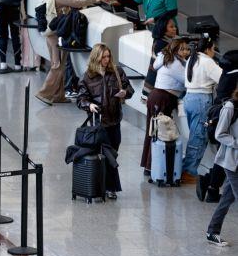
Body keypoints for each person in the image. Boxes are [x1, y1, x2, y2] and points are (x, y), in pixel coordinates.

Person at [77, 43, 134, 199]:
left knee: (112, 154)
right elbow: (81, 99)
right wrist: (90, 104)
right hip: (98, 123)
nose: (107, 60)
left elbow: (130, 89)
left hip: (114, 121)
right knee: (105, 154)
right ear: (97, 57)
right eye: (104, 57)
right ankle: (109, 187)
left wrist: (125, 93)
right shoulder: (87, 76)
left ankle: (107, 186)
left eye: (108, 56)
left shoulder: (116, 71)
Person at [35, 0, 104, 105]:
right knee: (58, 65)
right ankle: (43, 93)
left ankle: (58, 95)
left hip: (49, 34)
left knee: (59, 64)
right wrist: (95, 0)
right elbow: (76, 3)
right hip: (55, 36)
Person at [140, 39, 190, 173]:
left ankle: (149, 166)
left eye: (187, 49)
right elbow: (187, 81)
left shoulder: (166, 59)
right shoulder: (174, 63)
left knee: (153, 131)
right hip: (162, 98)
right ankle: (152, 167)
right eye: (182, 49)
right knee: (158, 133)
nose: (185, 52)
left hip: (157, 97)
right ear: (175, 50)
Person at [197, 50, 238, 202]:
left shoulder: (226, 73)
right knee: (226, 156)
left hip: (218, 117)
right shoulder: (235, 75)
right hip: (229, 120)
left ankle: (209, 184)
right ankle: (211, 187)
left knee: (224, 156)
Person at [183, 37, 222, 181]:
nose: (214, 52)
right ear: (207, 49)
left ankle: (186, 168)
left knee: (194, 136)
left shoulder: (192, 59)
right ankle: (189, 172)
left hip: (189, 98)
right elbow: (222, 78)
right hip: (201, 101)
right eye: (213, 49)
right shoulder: (207, 61)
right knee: (198, 137)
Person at [205, 86, 238, 247]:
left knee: (227, 198)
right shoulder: (231, 107)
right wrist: (236, 143)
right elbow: (220, 134)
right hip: (232, 162)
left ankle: (212, 231)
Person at [63, 0, 93, 98]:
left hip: (65, 29)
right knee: (69, 60)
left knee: (68, 59)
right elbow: (77, 7)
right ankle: (69, 88)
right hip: (70, 30)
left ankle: (70, 87)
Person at [141, 16, 178, 100]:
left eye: (175, 26)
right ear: (163, 29)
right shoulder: (161, 44)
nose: (175, 29)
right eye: (171, 27)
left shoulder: (163, 40)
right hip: (155, 83)